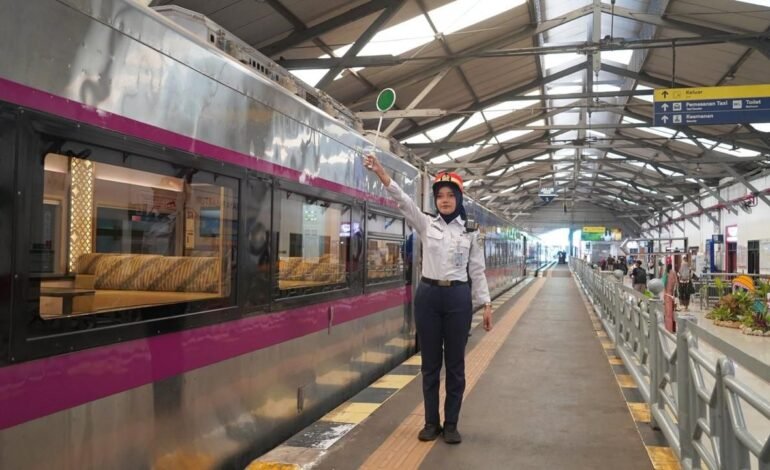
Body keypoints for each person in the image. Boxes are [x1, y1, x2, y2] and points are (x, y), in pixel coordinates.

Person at [364, 153, 492, 445]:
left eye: (450, 195)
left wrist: (486, 303)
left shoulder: (471, 233)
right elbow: (401, 199)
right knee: (430, 365)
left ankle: (451, 424)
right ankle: (431, 423)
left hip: (458, 298)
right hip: (429, 297)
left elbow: (477, 270)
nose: (445, 200)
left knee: (456, 365)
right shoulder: (425, 224)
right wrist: (380, 172)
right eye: (440, 196)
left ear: (459, 199)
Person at [664, 264, 678, 332]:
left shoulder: (665, 273)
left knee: (667, 312)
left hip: (666, 294)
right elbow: (676, 283)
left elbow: (663, 283)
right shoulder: (673, 272)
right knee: (672, 311)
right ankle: (671, 328)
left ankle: (667, 327)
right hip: (671, 295)